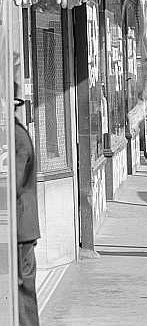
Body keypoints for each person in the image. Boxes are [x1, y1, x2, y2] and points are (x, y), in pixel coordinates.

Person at [14, 95, 40, 326]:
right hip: (22, 224)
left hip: (20, 225)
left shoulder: (15, 136)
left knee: (22, 288)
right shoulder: (14, 133)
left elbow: (14, 182)